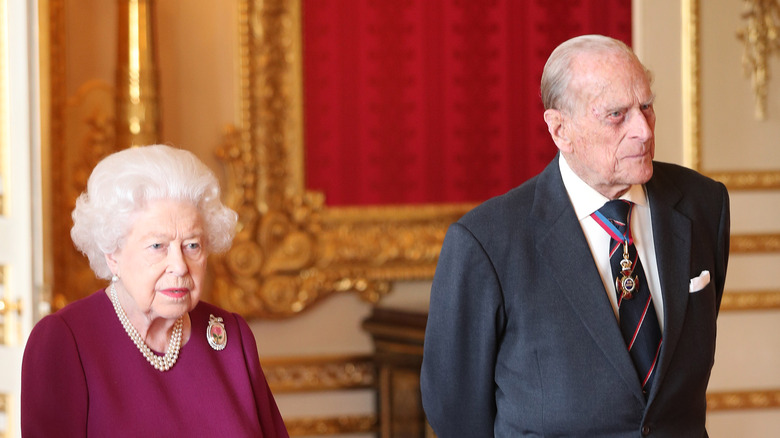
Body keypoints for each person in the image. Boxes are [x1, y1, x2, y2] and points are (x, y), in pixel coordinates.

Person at [421, 35, 730, 437]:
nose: (643, 130)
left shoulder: (703, 204)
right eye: (617, 114)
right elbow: (455, 413)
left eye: (647, 107)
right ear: (560, 129)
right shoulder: (485, 243)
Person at [21, 145, 289, 437]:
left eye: (192, 245)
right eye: (158, 246)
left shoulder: (230, 337)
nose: (180, 266)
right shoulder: (65, 342)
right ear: (113, 254)